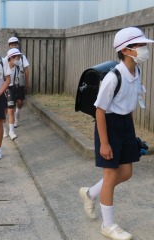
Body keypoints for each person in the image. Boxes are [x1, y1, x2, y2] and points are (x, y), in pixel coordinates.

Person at [79, 27, 154, 240]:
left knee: (126, 173)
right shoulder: (113, 78)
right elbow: (100, 110)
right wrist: (104, 143)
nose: (144, 49)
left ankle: (90, 193)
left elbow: (129, 105)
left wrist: (130, 134)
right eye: (140, 45)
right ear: (126, 50)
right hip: (109, 126)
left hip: (125, 126)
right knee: (111, 177)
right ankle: (108, 225)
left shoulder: (136, 71)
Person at [7, 37, 30, 127]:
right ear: (9, 46)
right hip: (10, 82)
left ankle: (18, 113)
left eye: (16, 44)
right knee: (11, 103)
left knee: (20, 101)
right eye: (12, 45)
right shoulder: (7, 57)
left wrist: (27, 82)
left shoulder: (22, 57)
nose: (14, 46)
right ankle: (13, 121)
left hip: (20, 79)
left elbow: (26, 70)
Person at [6, 48, 22, 140]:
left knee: (11, 110)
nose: (18, 60)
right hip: (4, 89)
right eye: (17, 58)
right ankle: (4, 129)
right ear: (11, 58)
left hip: (13, 88)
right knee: (4, 112)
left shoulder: (17, 68)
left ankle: (11, 131)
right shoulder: (4, 67)